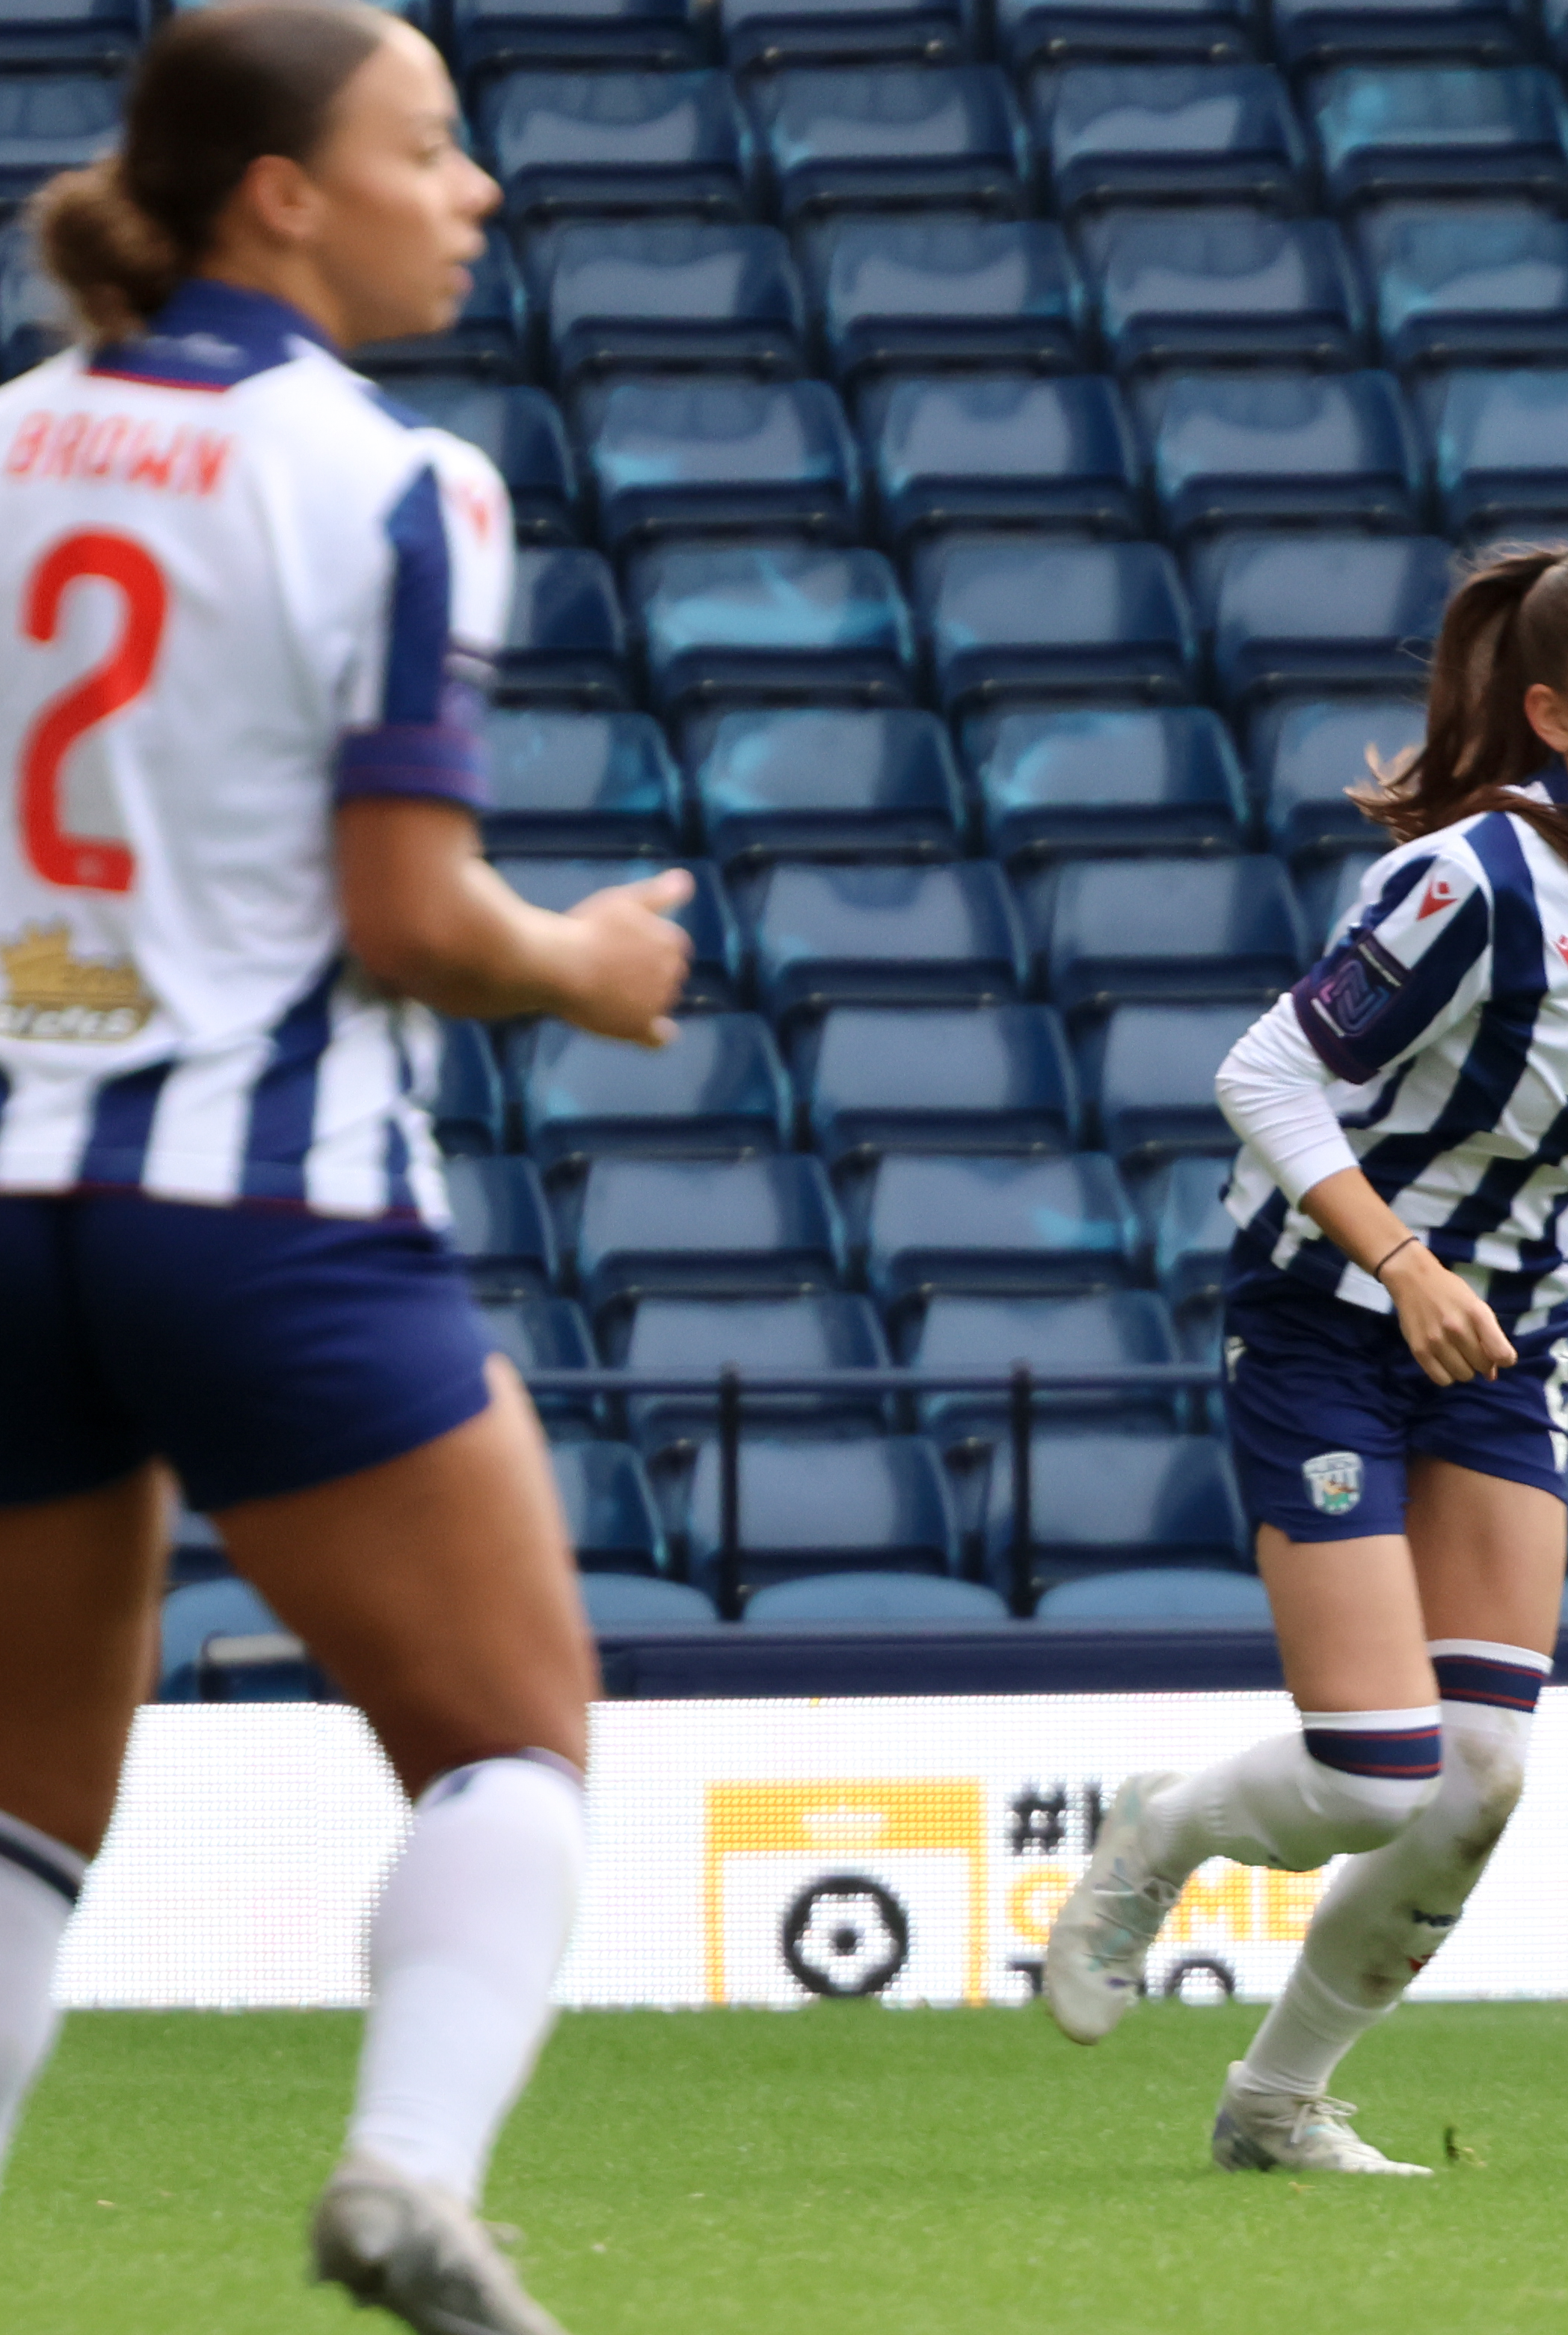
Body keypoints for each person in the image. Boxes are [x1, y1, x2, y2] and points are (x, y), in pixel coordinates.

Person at [0, 7, 692, 2329]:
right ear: (282, 192)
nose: (474, 186)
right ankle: (404, 2170)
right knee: (509, 1736)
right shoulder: (397, 479)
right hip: (262, 1201)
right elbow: (409, 919)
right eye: (431, 144)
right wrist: (584, 962)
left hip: (5, 1198)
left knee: (17, 1819)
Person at [1042, 542, 1568, 2175]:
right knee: (1376, 1775)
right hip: (1331, 1324)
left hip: (1504, 1341)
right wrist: (1402, 1259)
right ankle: (1158, 1835)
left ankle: (1275, 2106)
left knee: (1482, 1770)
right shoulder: (1467, 881)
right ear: (1551, 717)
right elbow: (1264, 1078)